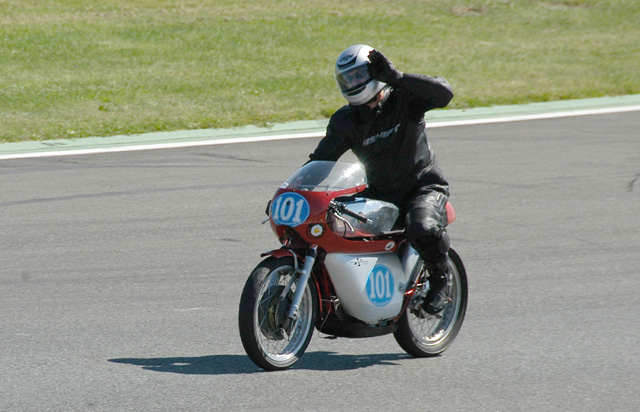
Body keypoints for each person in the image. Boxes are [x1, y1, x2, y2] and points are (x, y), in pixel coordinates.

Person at [308, 44, 455, 314]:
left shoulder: (405, 98)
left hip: (422, 188)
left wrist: (398, 77)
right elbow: (321, 160)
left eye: (358, 76)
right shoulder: (346, 120)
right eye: (347, 78)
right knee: (329, 221)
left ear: (375, 72)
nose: (353, 83)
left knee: (421, 226)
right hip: (379, 194)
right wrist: (299, 192)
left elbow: (445, 93)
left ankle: (440, 280)